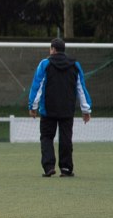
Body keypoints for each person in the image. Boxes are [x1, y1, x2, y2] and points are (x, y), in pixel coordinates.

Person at [28, 38, 92, 178]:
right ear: (64, 50)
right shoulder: (75, 65)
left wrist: (33, 106)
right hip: (67, 110)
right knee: (66, 139)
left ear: (53, 49)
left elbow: (37, 86)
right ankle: (66, 168)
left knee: (46, 137)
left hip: (48, 110)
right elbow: (81, 88)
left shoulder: (45, 64)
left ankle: (49, 167)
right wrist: (86, 110)